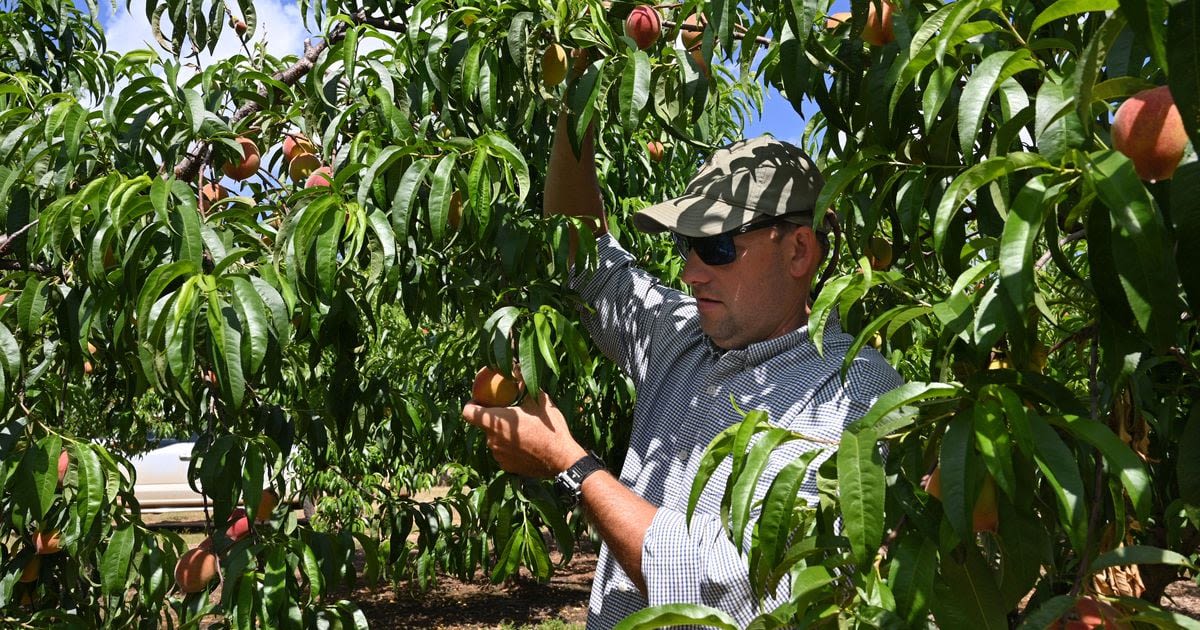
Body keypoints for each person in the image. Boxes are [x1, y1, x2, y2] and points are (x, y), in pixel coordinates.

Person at [461, 115, 903, 629]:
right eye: (686, 246)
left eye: (717, 247)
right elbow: (579, 250)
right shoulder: (681, 335)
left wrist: (571, 465)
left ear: (799, 250)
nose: (691, 272)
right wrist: (577, 98)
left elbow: (745, 588)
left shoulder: (853, 393)